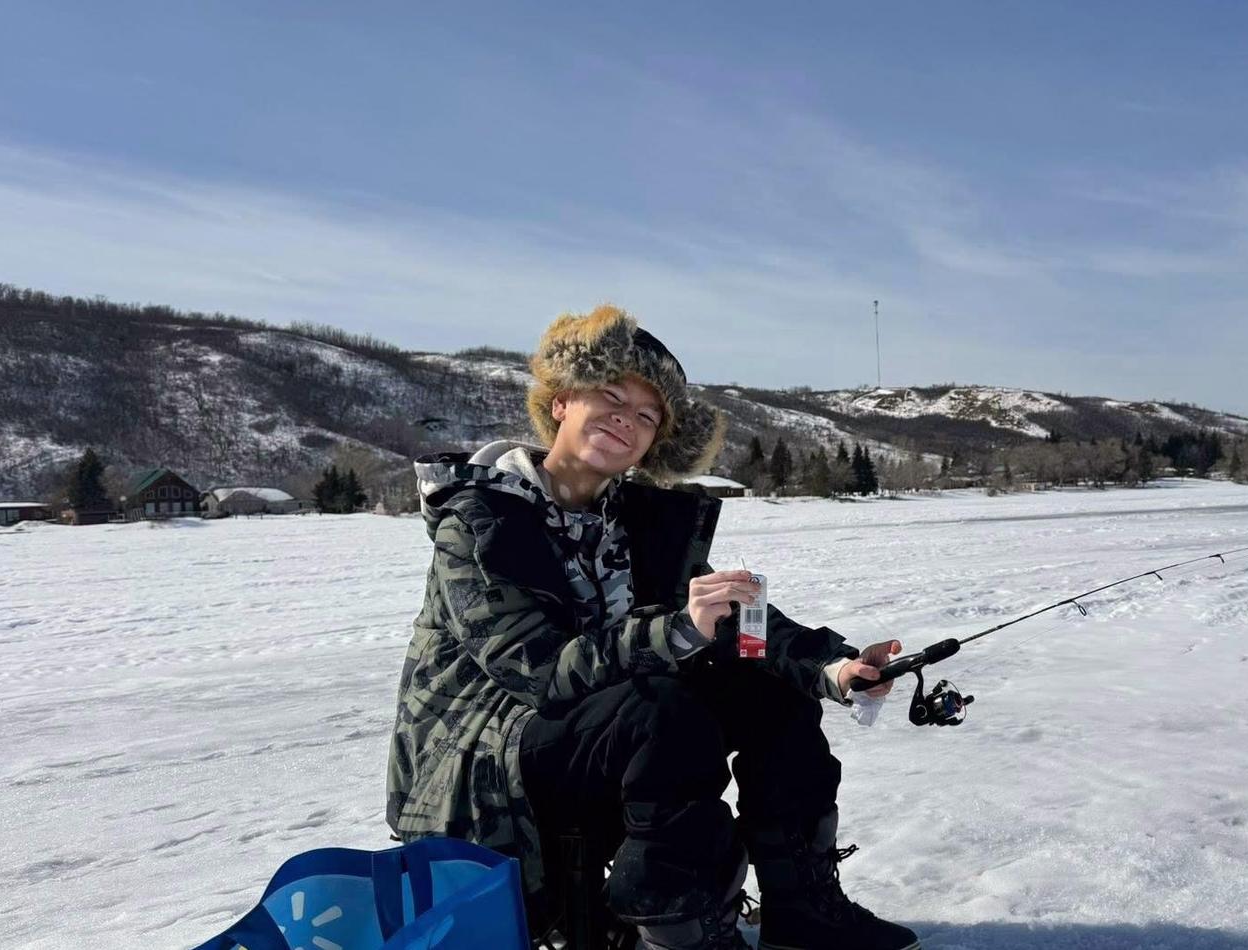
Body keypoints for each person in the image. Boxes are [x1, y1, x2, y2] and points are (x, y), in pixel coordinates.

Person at [387, 305, 921, 950]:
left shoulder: (638, 521)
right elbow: (537, 672)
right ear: (560, 402)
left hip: (600, 726)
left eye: (646, 416)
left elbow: (730, 622)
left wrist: (831, 668)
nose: (625, 420)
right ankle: (682, 929)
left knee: (771, 693)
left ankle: (801, 909)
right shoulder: (478, 520)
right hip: (480, 758)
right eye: (610, 397)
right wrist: (674, 633)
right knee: (662, 708)